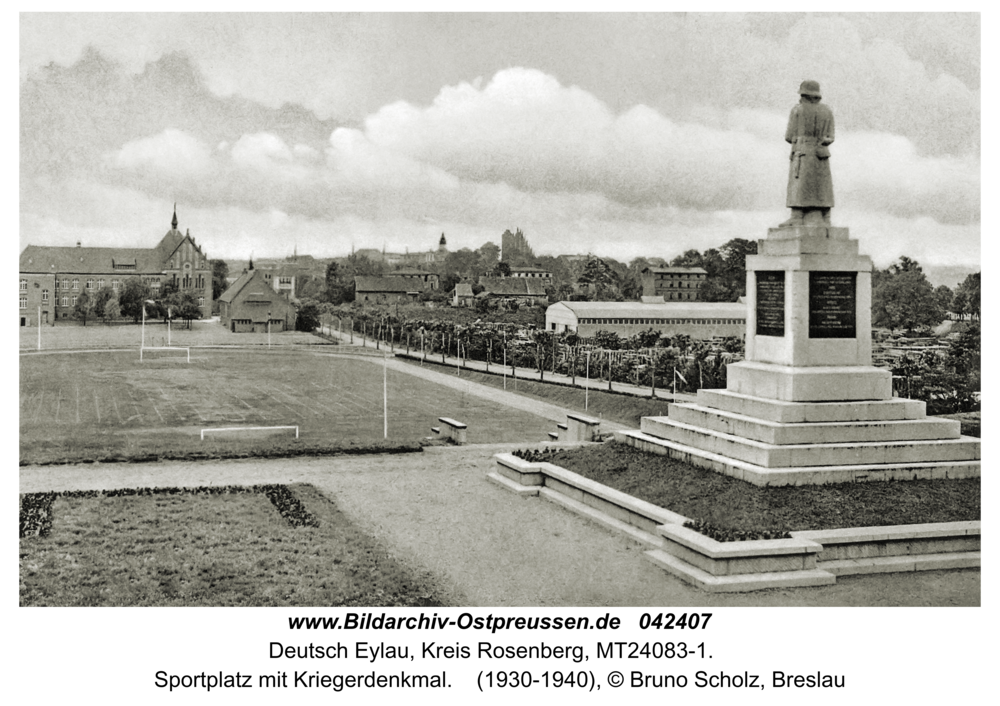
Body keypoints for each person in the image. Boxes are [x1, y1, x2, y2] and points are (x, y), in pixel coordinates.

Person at [780, 80, 834, 227]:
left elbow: (789, 136)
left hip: (802, 150)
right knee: (822, 186)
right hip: (821, 152)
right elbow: (831, 136)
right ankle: (825, 217)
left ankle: (797, 217)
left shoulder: (798, 110)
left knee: (799, 184)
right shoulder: (827, 111)